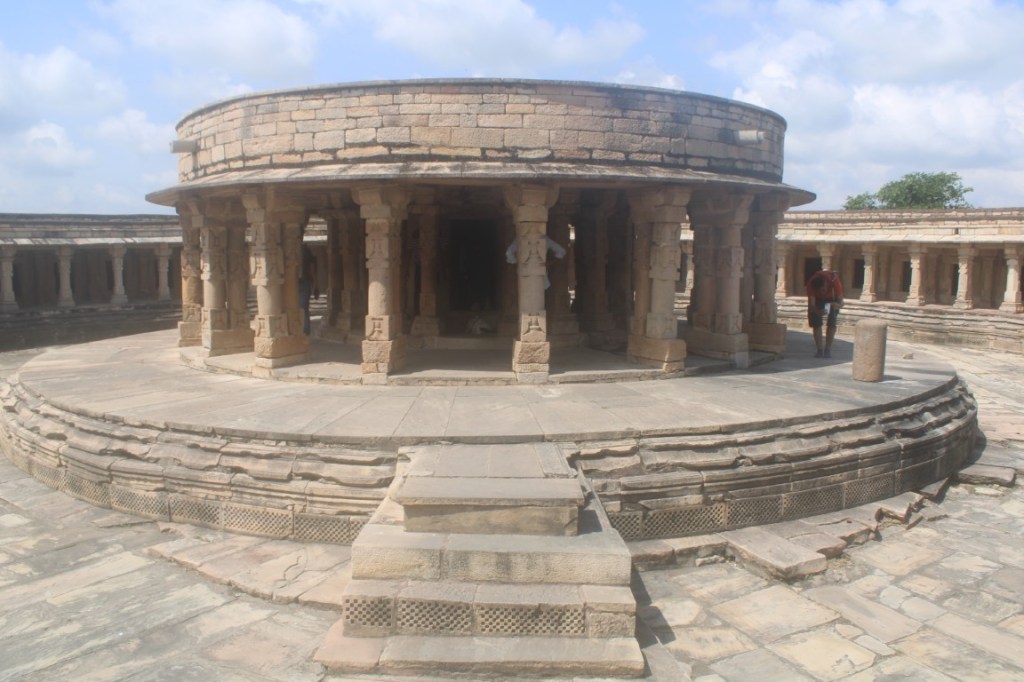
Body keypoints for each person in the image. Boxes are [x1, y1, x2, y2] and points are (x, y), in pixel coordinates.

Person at [806, 269, 844, 358]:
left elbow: (842, 303)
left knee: (832, 322)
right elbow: (812, 304)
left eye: (823, 290)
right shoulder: (811, 285)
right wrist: (817, 311)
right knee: (816, 322)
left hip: (832, 299)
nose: (822, 292)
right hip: (818, 300)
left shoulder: (834, 282)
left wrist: (836, 305)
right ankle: (819, 350)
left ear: (826, 284)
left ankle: (827, 349)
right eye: (819, 291)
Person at [299, 245, 319, 336]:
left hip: (304, 281)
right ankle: (302, 330)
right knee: (302, 306)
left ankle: (305, 331)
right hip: (297, 282)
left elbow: (312, 270)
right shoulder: (305, 249)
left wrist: (315, 285)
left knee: (303, 306)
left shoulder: (305, 250)